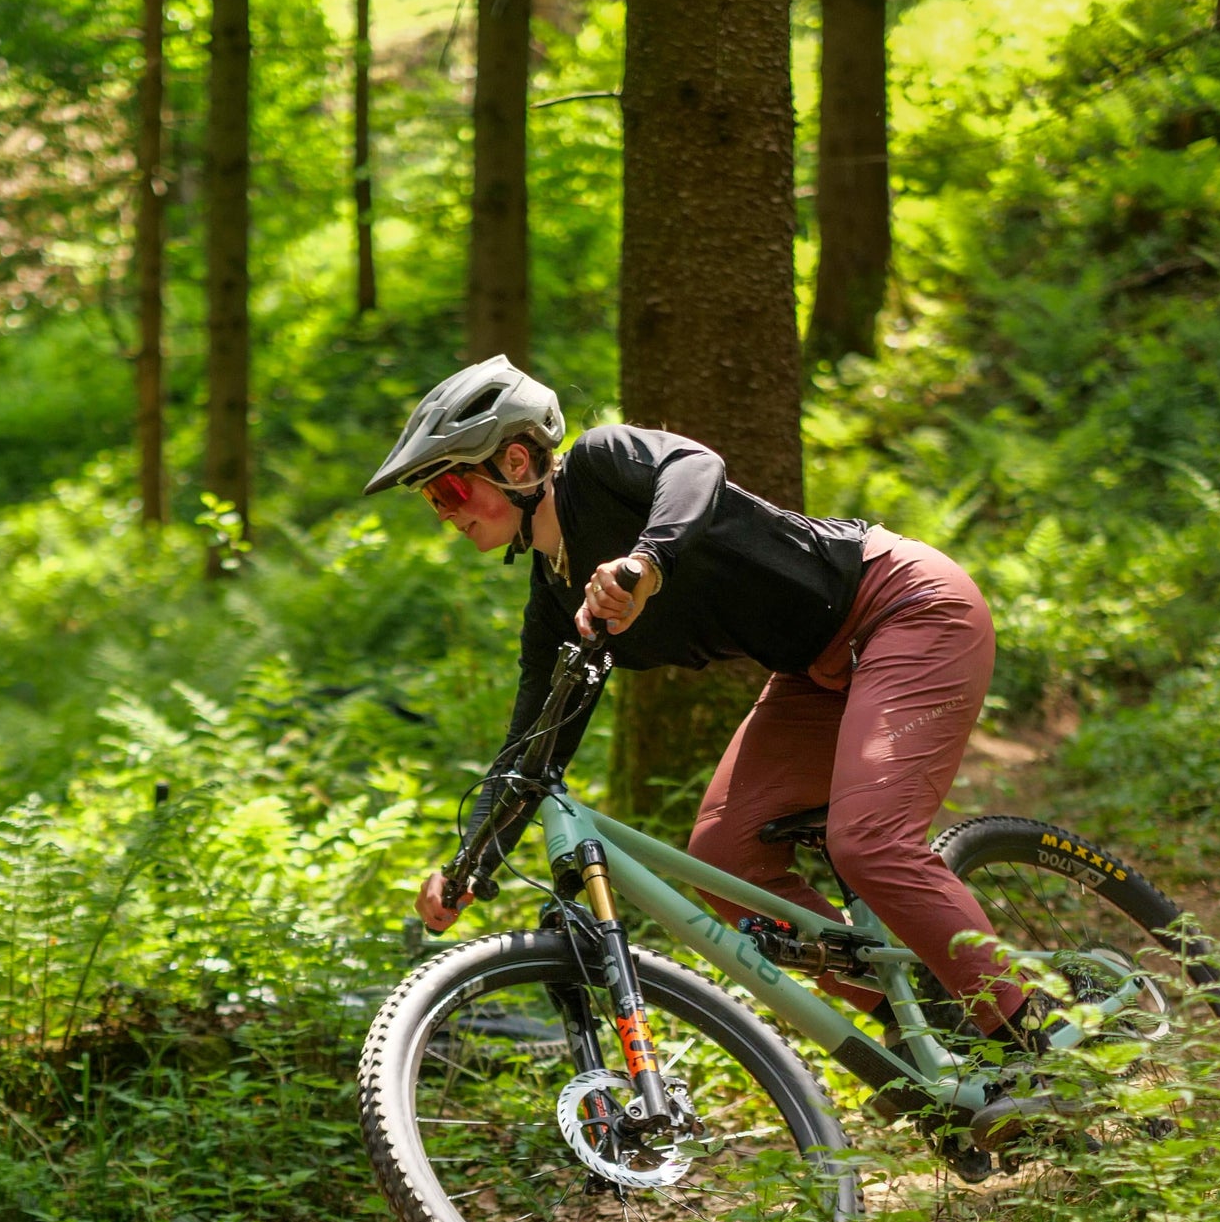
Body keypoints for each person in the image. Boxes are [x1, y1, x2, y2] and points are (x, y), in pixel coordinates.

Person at [365, 355, 1036, 1046]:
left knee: (866, 842)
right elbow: (531, 749)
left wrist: (647, 562)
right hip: (816, 672)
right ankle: (927, 1030)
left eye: (447, 489)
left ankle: (1036, 1048)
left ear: (513, 460)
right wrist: (468, 863)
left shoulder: (599, 464)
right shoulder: (555, 601)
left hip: (902, 606)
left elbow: (694, 466)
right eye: (431, 502)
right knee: (724, 856)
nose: (444, 514)